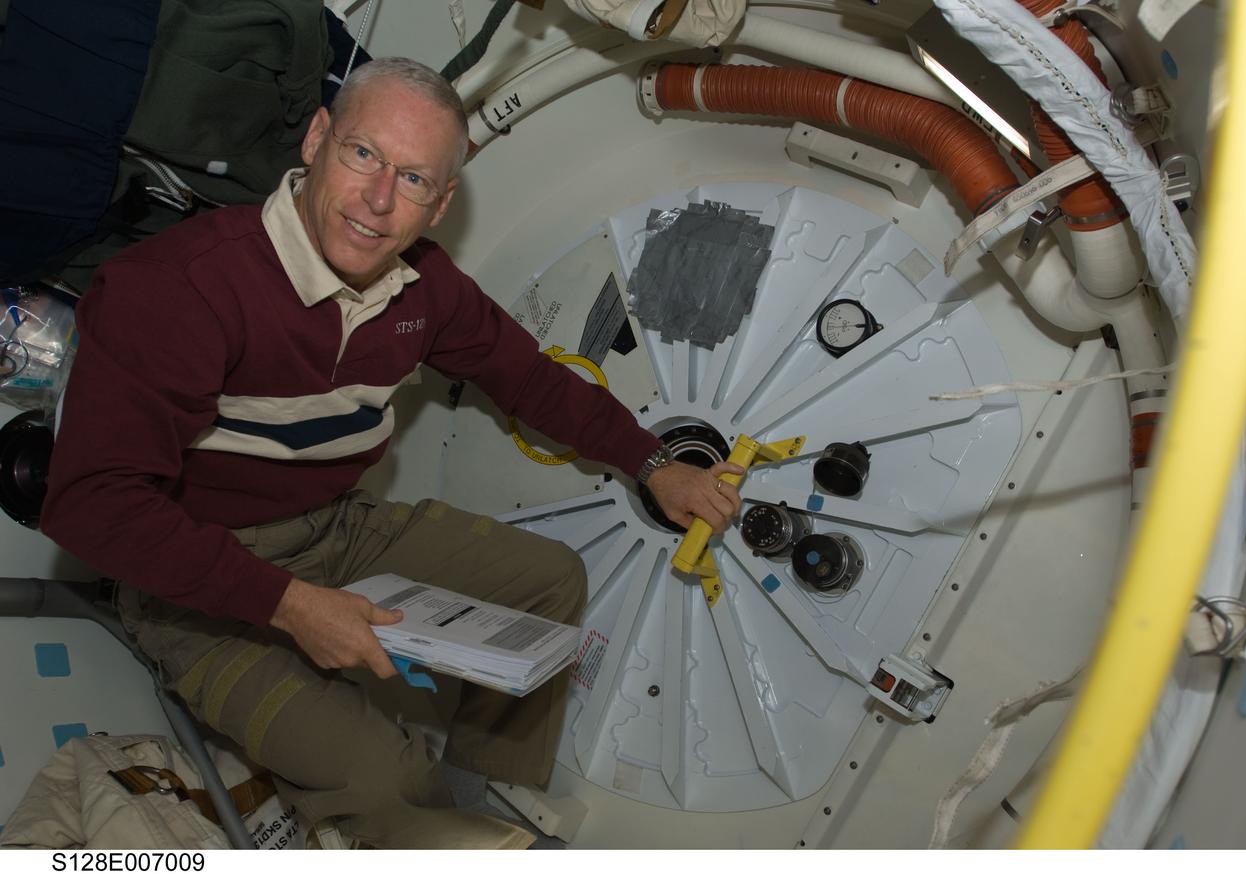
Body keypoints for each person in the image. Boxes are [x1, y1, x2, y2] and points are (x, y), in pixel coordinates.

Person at [40, 57, 743, 849]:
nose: (378, 201)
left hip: (330, 529)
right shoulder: (181, 289)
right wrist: (291, 607)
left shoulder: (424, 289)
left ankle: (481, 801)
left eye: (413, 179)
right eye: (363, 154)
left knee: (551, 582)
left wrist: (654, 464)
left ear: (441, 202)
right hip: (193, 589)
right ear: (316, 140)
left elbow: (530, 381)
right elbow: (90, 504)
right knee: (384, 776)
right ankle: (415, 817)